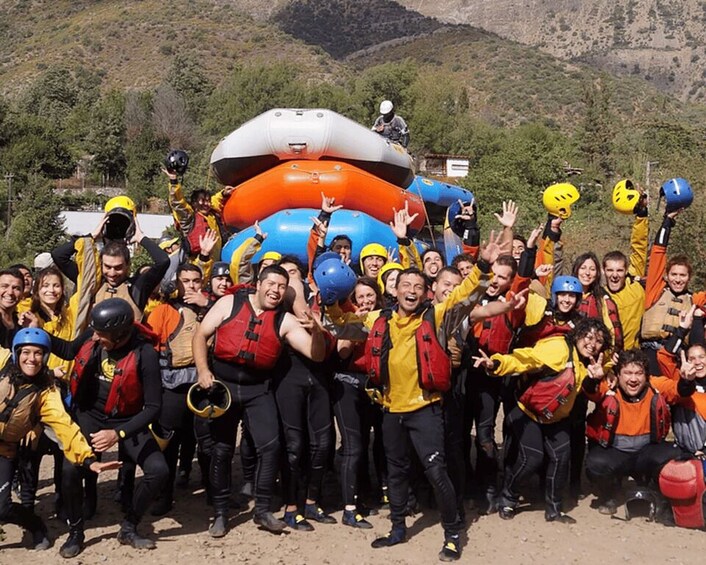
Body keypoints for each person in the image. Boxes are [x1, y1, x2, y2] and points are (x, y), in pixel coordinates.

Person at [327, 231, 508, 562]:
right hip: (391, 411)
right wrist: (330, 296)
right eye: (405, 287)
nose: (411, 291)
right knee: (396, 472)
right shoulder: (377, 319)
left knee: (436, 472)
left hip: (425, 409)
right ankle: (397, 527)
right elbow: (342, 325)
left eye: (418, 288)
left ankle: (453, 532)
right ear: (394, 291)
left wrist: (482, 264)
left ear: (427, 294)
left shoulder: (437, 317)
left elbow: (465, 298)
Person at [192, 265, 327, 537]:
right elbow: (200, 336)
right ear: (258, 283)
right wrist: (203, 371)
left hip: (257, 389)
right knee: (221, 450)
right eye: (272, 284)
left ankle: (263, 510)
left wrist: (317, 333)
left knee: (271, 446)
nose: (276, 291)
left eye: (281, 287)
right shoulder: (229, 303)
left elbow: (317, 356)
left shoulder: (284, 320)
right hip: (223, 387)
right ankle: (219, 512)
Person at [51, 298, 169, 550]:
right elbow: (68, 351)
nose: (94, 337)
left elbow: (153, 408)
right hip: (89, 415)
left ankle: (129, 527)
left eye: (101, 334)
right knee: (70, 471)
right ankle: (76, 532)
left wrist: (117, 434)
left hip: (127, 420)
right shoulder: (94, 334)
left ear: (120, 334)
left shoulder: (145, 354)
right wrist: (30, 334)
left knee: (158, 470)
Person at [474, 317, 612, 523]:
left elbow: (592, 393)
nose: (592, 344)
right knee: (532, 460)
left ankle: (554, 509)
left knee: (560, 459)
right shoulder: (558, 348)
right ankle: (508, 497)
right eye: (588, 336)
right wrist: (496, 363)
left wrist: (595, 378)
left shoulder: (592, 364)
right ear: (578, 335)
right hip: (526, 411)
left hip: (556, 417)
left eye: (598, 341)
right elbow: (525, 358)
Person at [0, 328, 119, 558]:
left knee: (2, 508)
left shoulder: (46, 391)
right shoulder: (3, 362)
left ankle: (35, 525)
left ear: (45, 357)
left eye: (38, 353)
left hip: (4, 450)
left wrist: (88, 459)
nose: (31, 359)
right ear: (16, 353)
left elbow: (65, 426)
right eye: (25, 352)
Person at [583, 349, 689, 515]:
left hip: (646, 451)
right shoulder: (609, 386)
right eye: (627, 373)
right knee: (595, 463)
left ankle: (652, 487)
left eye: (639, 373)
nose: (633, 379)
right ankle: (608, 494)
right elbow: (591, 392)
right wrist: (592, 379)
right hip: (615, 451)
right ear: (618, 375)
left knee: (676, 454)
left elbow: (679, 391)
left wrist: (686, 380)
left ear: (646, 376)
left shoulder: (655, 385)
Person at [147, 263, 210, 515]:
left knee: (207, 441)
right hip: (171, 383)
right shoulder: (163, 311)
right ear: (177, 282)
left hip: (202, 383)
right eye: (186, 280)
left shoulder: (212, 309)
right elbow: (151, 349)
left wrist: (207, 305)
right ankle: (164, 495)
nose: (191, 286)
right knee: (168, 443)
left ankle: (212, 491)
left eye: (196, 280)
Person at [51, 214, 170, 325]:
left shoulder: (137, 287)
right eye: (107, 267)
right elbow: (58, 255)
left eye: (118, 268)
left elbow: (163, 261)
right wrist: (91, 236)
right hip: (94, 344)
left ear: (127, 265)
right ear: (101, 264)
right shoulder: (92, 283)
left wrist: (141, 237)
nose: (112, 273)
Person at [641, 211, 692, 374]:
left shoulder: (693, 302)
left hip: (676, 358)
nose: (678, 279)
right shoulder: (655, 292)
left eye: (682, 275)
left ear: (689, 278)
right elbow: (658, 253)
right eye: (674, 275)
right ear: (667, 276)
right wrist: (667, 222)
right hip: (651, 354)